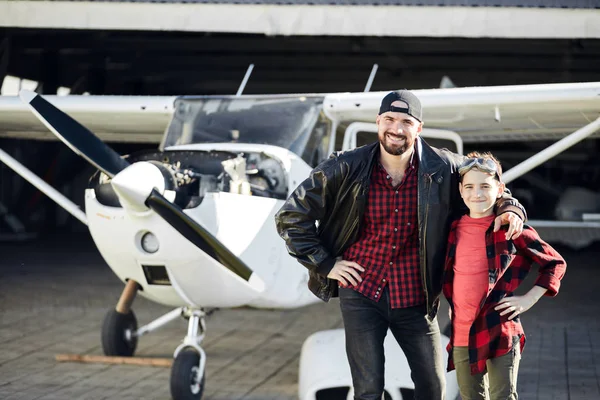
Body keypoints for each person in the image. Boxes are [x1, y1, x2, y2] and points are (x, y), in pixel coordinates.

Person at [274, 90, 526, 400]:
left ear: (418, 127)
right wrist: (326, 264)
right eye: (389, 120)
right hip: (362, 291)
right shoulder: (345, 166)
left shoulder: (444, 166)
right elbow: (290, 216)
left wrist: (511, 207)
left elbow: (491, 184)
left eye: (406, 121)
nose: (396, 128)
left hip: (415, 296)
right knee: (368, 389)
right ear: (378, 122)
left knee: (433, 386)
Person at [443, 152, 567, 400]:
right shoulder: (452, 227)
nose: (476, 193)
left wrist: (527, 300)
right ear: (460, 190)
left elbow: (555, 262)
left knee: (503, 396)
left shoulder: (510, 227)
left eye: (485, 186)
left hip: (499, 328)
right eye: (469, 186)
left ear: (500, 189)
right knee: (470, 397)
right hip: (462, 332)